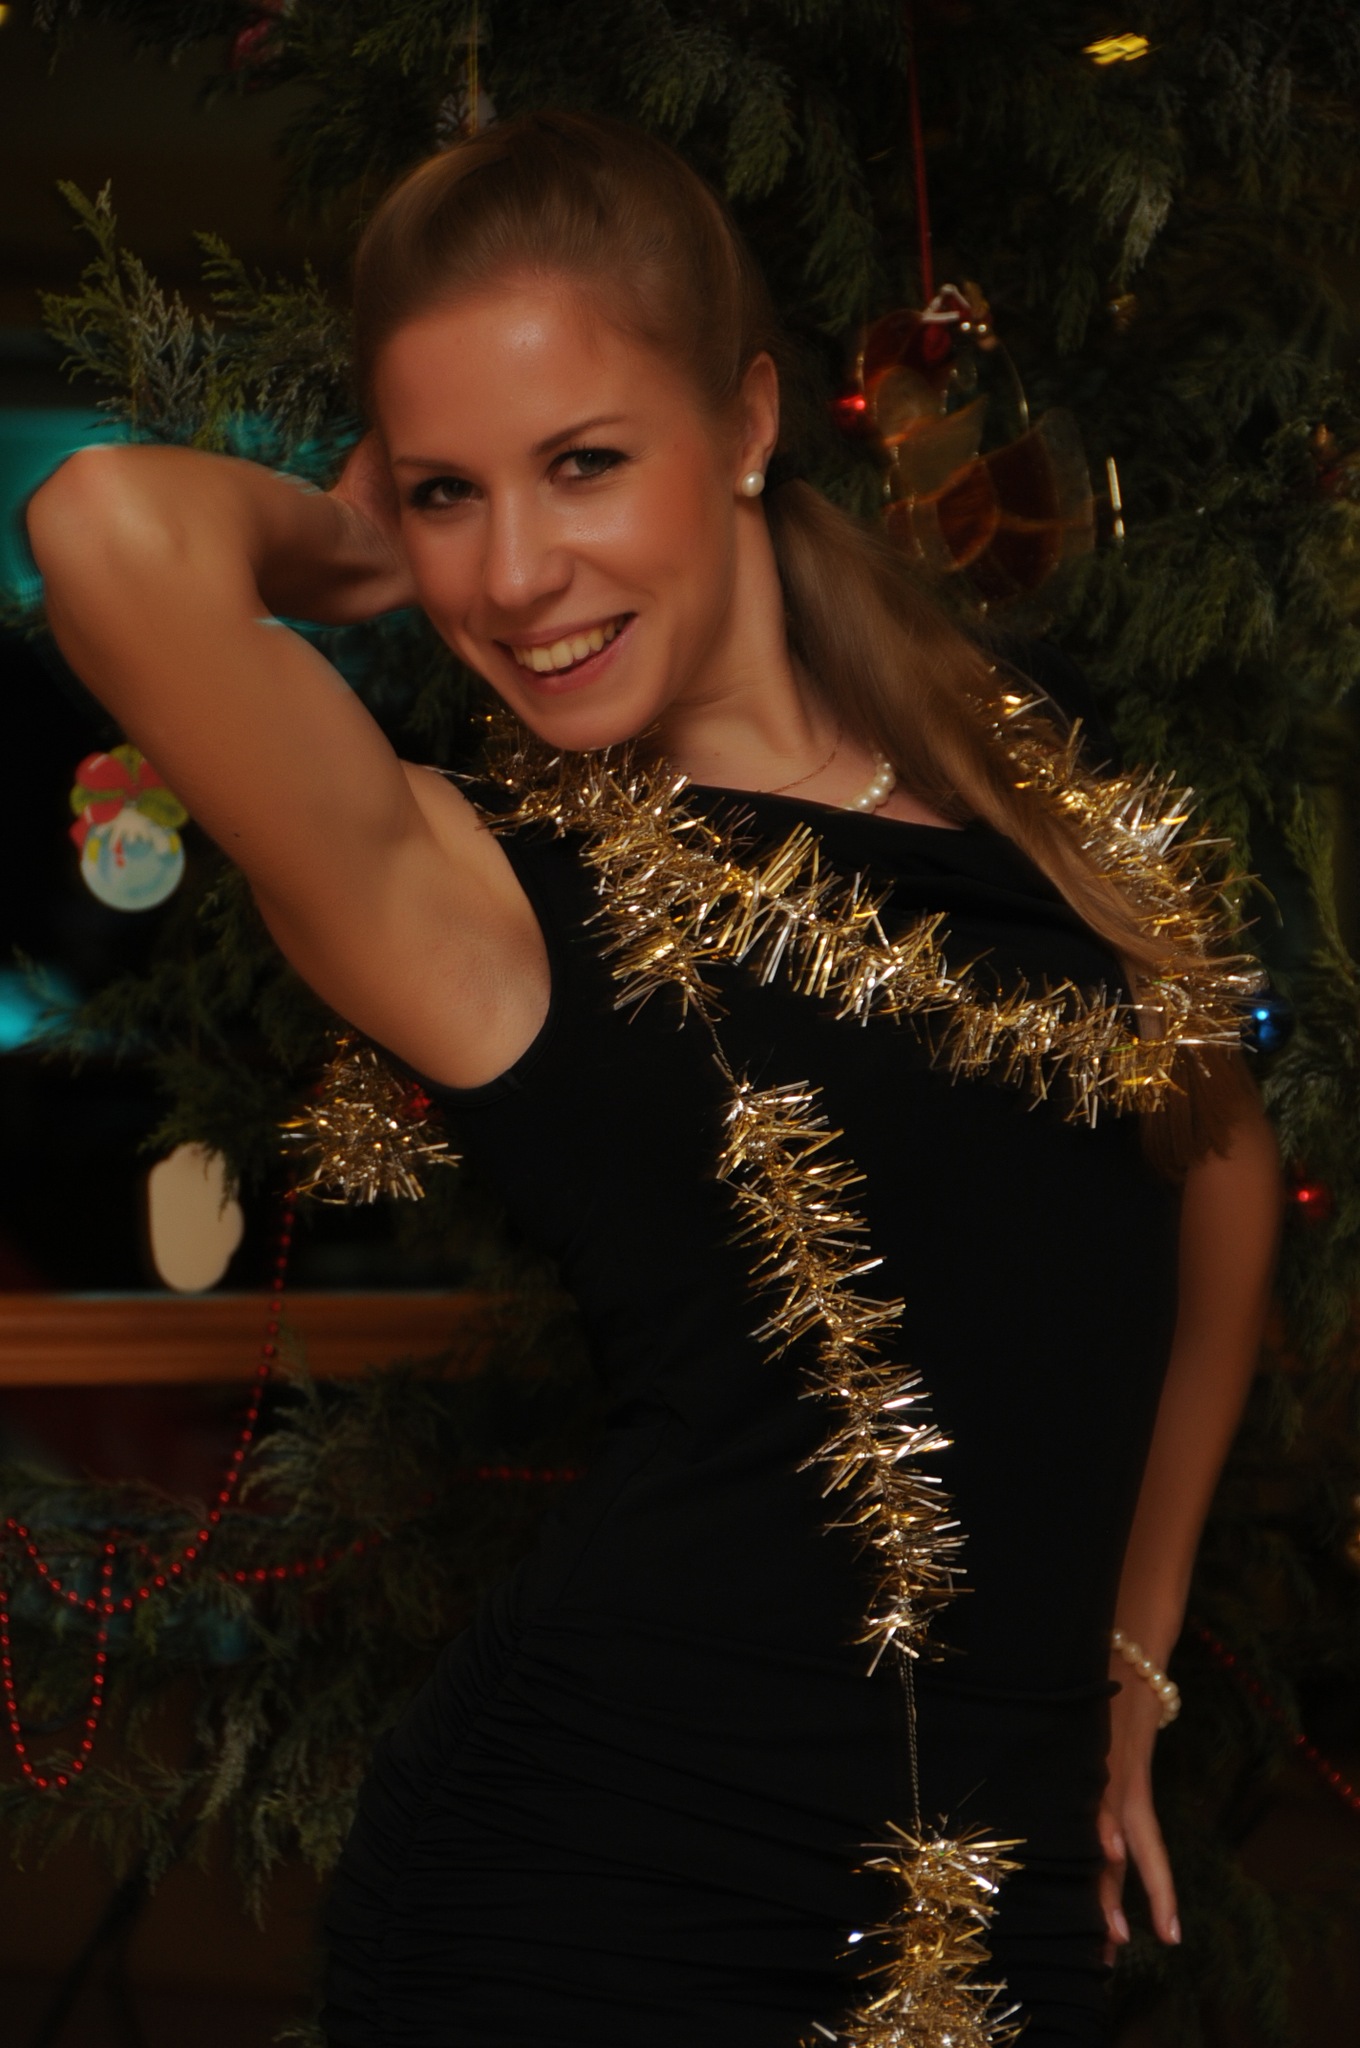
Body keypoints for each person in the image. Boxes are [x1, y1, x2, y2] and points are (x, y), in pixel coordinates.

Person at [27, 111, 1280, 2048]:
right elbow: (103, 526)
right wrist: (356, 546)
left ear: (746, 422)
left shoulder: (1014, 776)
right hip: (595, 1902)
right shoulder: (472, 891)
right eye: (450, 491)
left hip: (1003, 1902)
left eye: (584, 462)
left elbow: (1215, 1169)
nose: (519, 572)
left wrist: (1136, 1634)